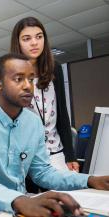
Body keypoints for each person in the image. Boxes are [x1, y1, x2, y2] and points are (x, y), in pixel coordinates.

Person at [0, 53, 109, 216]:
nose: (28, 86)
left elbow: (43, 172)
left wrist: (90, 180)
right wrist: (19, 201)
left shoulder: (34, 123)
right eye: (18, 79)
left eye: (31, 79)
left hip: (22, 200)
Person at [10, 17, 79, 172]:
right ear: (18, 43)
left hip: (56, 151)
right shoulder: (11, 74)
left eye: (39, 37)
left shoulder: (55, 68)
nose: (34, 43)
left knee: (69, 193)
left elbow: (62, 114)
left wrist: (70, 155)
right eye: (27, 38)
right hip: (27, 156)